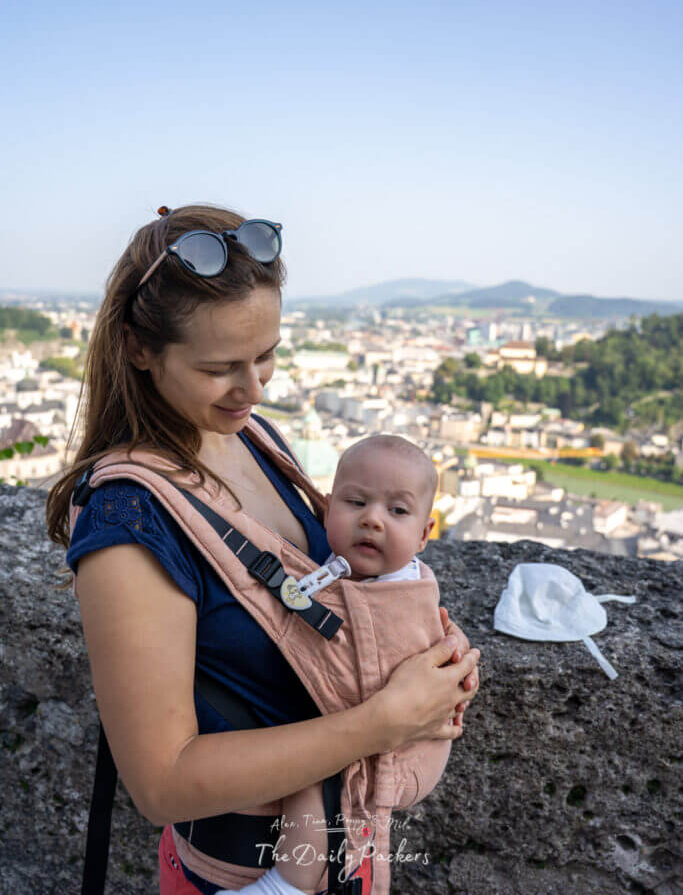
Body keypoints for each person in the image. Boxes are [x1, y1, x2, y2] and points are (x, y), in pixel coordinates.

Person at [46, 203, 480, 895]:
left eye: (267, 355)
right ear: (139, 348)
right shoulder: (128, 520)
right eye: (221, 367)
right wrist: (384, 722)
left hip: (343, 854)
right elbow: (161, 783)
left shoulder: (252, 437)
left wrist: (424, 659)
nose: (254, 388)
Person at [215, 434, 448, 895]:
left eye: (397, 511)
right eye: (356, 502)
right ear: (326, 509)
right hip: (384, 729)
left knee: (308, 771)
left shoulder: (404, 594)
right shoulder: (337, 569)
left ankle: (286, 885)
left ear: (424, 534)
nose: (372, 519)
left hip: (405, 750)